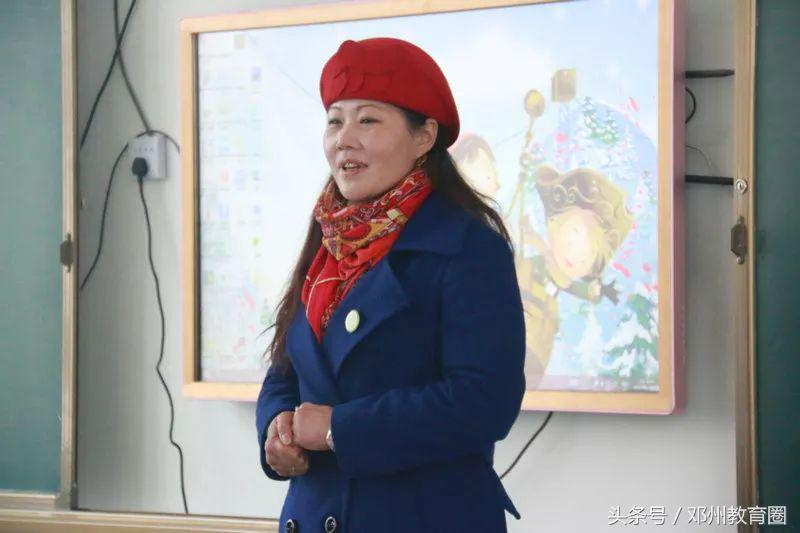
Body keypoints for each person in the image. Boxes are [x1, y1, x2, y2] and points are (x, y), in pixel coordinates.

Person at [255, 37, 526, 533]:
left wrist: (339, 429)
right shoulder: (329, 240)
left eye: (368, 120)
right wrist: (276, 429)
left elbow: (484, 401)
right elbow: (287, 370)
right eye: (334, 121)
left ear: (424, 136)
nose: (344, 139)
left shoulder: (468, 246)